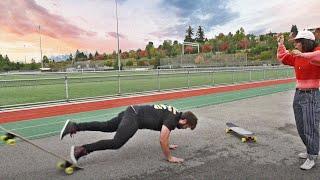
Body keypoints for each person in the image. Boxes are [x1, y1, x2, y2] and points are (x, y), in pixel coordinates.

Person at [60, 104, 198, 164]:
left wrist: (168, 143)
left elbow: (165, 135)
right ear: (184, 120)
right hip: (134, 118)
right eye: (187, 126)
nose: (185, 128)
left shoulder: (174, 114)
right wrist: (169, 157)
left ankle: (74, 126)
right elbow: (162, 139)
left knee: (106, 126)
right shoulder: (173, 119)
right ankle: (81, 150)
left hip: (132, 110)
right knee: (116, 143)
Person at [277, 30, 320, 170]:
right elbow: (283, 57)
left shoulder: (315, 52)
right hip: (299, 93)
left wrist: (302, 54)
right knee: (301, 126)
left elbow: (317, 56)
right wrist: (281, 44)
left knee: (310, 127)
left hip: (311, 94)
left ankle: (312, 156)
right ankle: (310, 150)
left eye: (297, 41)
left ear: (305, 42)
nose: (295, 44)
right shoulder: (296, 56)